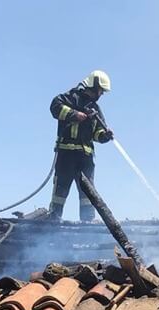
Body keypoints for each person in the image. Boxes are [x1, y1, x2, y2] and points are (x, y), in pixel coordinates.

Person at [48, 71, 114, 221]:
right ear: (93, 85)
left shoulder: (95, 108)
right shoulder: (69, 98)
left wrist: (105, 136)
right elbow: (55, 107)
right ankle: (52, 223)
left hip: (85, 158)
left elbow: (98, 133)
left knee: (88, 194)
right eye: (100, 90)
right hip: (66, 155)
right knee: (60, 191)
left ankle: (88, 226)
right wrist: (74, 114)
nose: (101, 94)